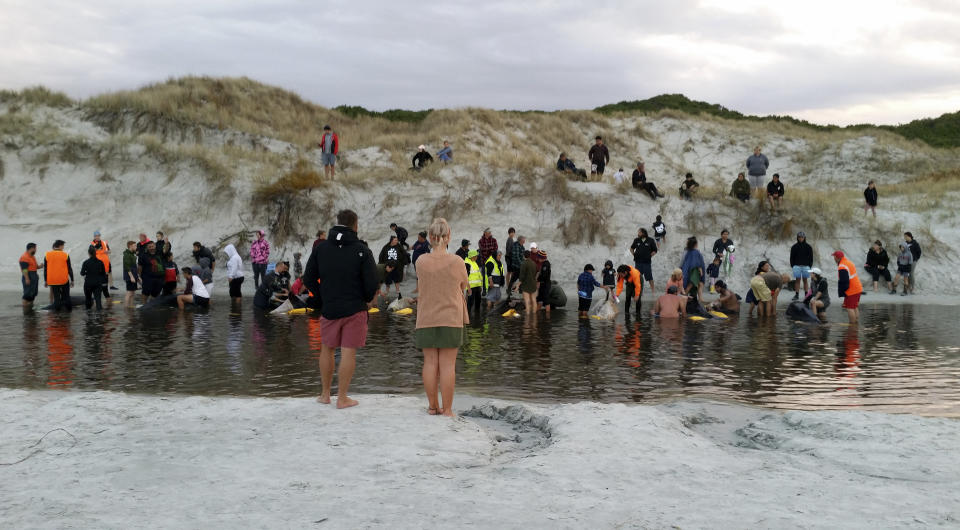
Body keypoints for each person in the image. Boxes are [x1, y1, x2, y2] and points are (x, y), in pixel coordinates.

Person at [302, 209, 379, 409]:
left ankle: (325, 394)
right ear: (355, 226)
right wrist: (365, 298)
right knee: (348, 352)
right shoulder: (362, 250)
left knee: (327, 349)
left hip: (330, 307)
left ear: (337, 223)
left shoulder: (321, 248)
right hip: (354, 307)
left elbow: (308, 277)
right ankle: (342, 397)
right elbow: (372, 283)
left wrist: (320, 297)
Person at [414, 217, 469, 417]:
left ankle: (432, 407)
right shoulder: (457, 261)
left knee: (429, 363)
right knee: (448, 365)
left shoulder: (421, 261)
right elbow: (464, 287)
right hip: (450, 317)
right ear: (448, 237)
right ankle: (447, 410)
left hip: (426, 317)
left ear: (430, 237)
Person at [833, 250, 863, 323]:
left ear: (837, 258)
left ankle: (852, 326)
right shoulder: (848, 262)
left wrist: (843, 292)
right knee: (855, 307)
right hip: (858, 288)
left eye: (834, 257)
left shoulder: (842, 266)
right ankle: (856, 323)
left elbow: (844, 281)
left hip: (852, 290)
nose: (834, 259)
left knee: (850, 308)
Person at [44, 240, 74, 311]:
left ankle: (57, 314)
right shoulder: (65, 255)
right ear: (60, 246)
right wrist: (72, 280)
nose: (63, 247)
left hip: (52, 280)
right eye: (63, 246)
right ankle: (69, 312)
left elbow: (45, 269)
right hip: (63, 279)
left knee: (56, 298)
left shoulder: (47, 255)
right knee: (66, 297)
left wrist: (46, 280)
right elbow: (69, 268)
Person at [629, 228, 658, 293]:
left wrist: (650, 256)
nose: (638, 234)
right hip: (638, 262)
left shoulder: (650, 240)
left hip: (647, 262)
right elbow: (631, 248)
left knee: (649, 277)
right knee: (638, 277)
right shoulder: (636, 240)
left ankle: (653, 290)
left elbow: (655, 250)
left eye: (639, 232)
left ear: (643, 233)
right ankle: (638, 291)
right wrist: (634, 254)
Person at [80, 245, 108, 310]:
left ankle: (89, 316)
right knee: (98, 300)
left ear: (89, 254)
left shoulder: (86, 262)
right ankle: (99, 317)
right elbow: (103, 274)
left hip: (88, 283)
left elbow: (82, 273)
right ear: (95, 253)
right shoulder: (100, 262)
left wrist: (87, 273)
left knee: (88, 299)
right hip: (97, 283)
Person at [680, 237, 705, 302]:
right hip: (695, 272)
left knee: (695, 284)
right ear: (696, 244)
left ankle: (698, 299)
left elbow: (684, 261)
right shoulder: (696, 252)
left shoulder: (688, 252)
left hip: (689, 271)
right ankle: (685, 298)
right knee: (694, 284)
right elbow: (697, 262)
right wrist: (700, 268)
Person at [790, 232, 814, 300]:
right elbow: (792, 257)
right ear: (797, 238)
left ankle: (806, 294)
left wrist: (809, 266)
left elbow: (811, 258)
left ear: (804, 238)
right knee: (797, 280)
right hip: (797, 266)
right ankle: (796, 295)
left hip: (806, 266)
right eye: (799, 237)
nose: (801, 238)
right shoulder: (794, 247)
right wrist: (793, 265)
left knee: (805, 281)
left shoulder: (808, 247)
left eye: (802, 237)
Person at [19, 242, 43, 308]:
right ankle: (25, 309)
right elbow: (24, 269)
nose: (36, 250)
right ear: (32, 248)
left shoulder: (32, 257)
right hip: (28, 275)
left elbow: (35, 266)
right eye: (35, 248)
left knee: (33, 293)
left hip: (34, 275)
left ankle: (30, 307)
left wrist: (40, 266)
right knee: (27, 294)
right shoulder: (24, 257)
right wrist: (27, 278)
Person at [122, 241, 139, 306]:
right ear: (130, 246)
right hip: (129, 276)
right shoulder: (126, 255)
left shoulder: (132, 253)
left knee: (133, 293)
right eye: (135, 246)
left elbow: (134, 266)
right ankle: (126, 308)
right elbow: (127, 267)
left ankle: (131, 306)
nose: (136, 247)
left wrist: (137, 276)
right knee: (129, 293)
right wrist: (131, 277)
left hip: (134, 275)